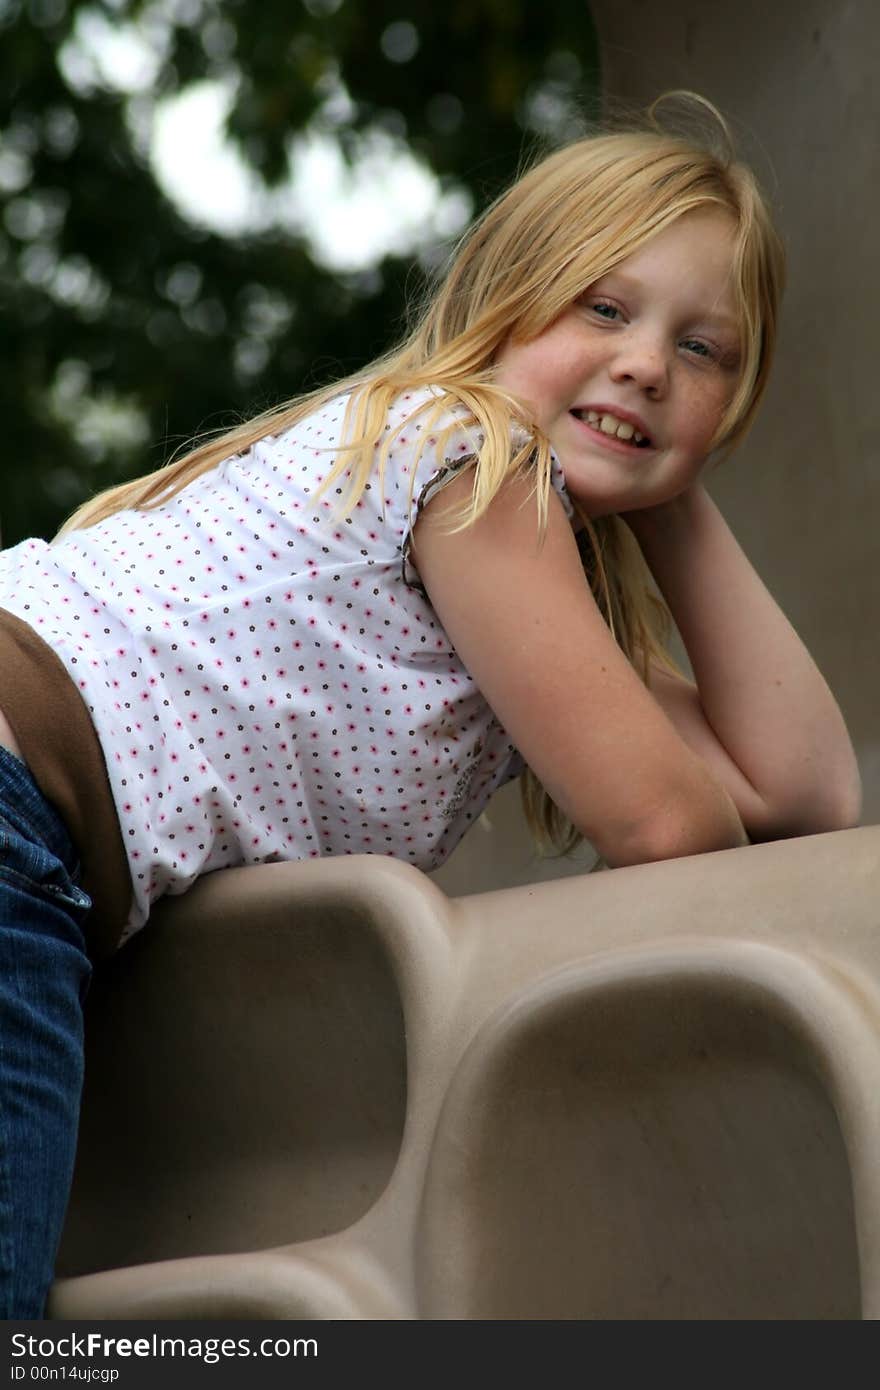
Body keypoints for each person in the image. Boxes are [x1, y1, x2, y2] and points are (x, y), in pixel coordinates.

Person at [0, 92, 861, 1316]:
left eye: (702, 351)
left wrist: (669, 481)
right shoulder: (470, 462)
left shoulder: (516, 590)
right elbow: (666, 828)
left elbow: (803, 795)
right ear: (501, 302)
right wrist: (641, 430)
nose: (645, 363)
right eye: (604, 310)